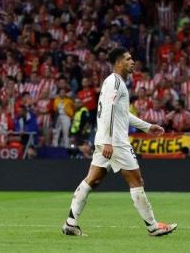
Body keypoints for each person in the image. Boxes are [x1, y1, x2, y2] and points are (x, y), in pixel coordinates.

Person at [62, 48, 177, 237]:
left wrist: (147, 127)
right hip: (114, 142)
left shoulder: (115, 83)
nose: (133, 61)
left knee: (93, 179)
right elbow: (107, 110)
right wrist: (108, 141)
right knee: (136, 180)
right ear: (118, 63)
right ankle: (153, 226)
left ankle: (70, 223)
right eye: (128, 59)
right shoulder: (115, 82)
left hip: (106, 139)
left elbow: (122, 114)